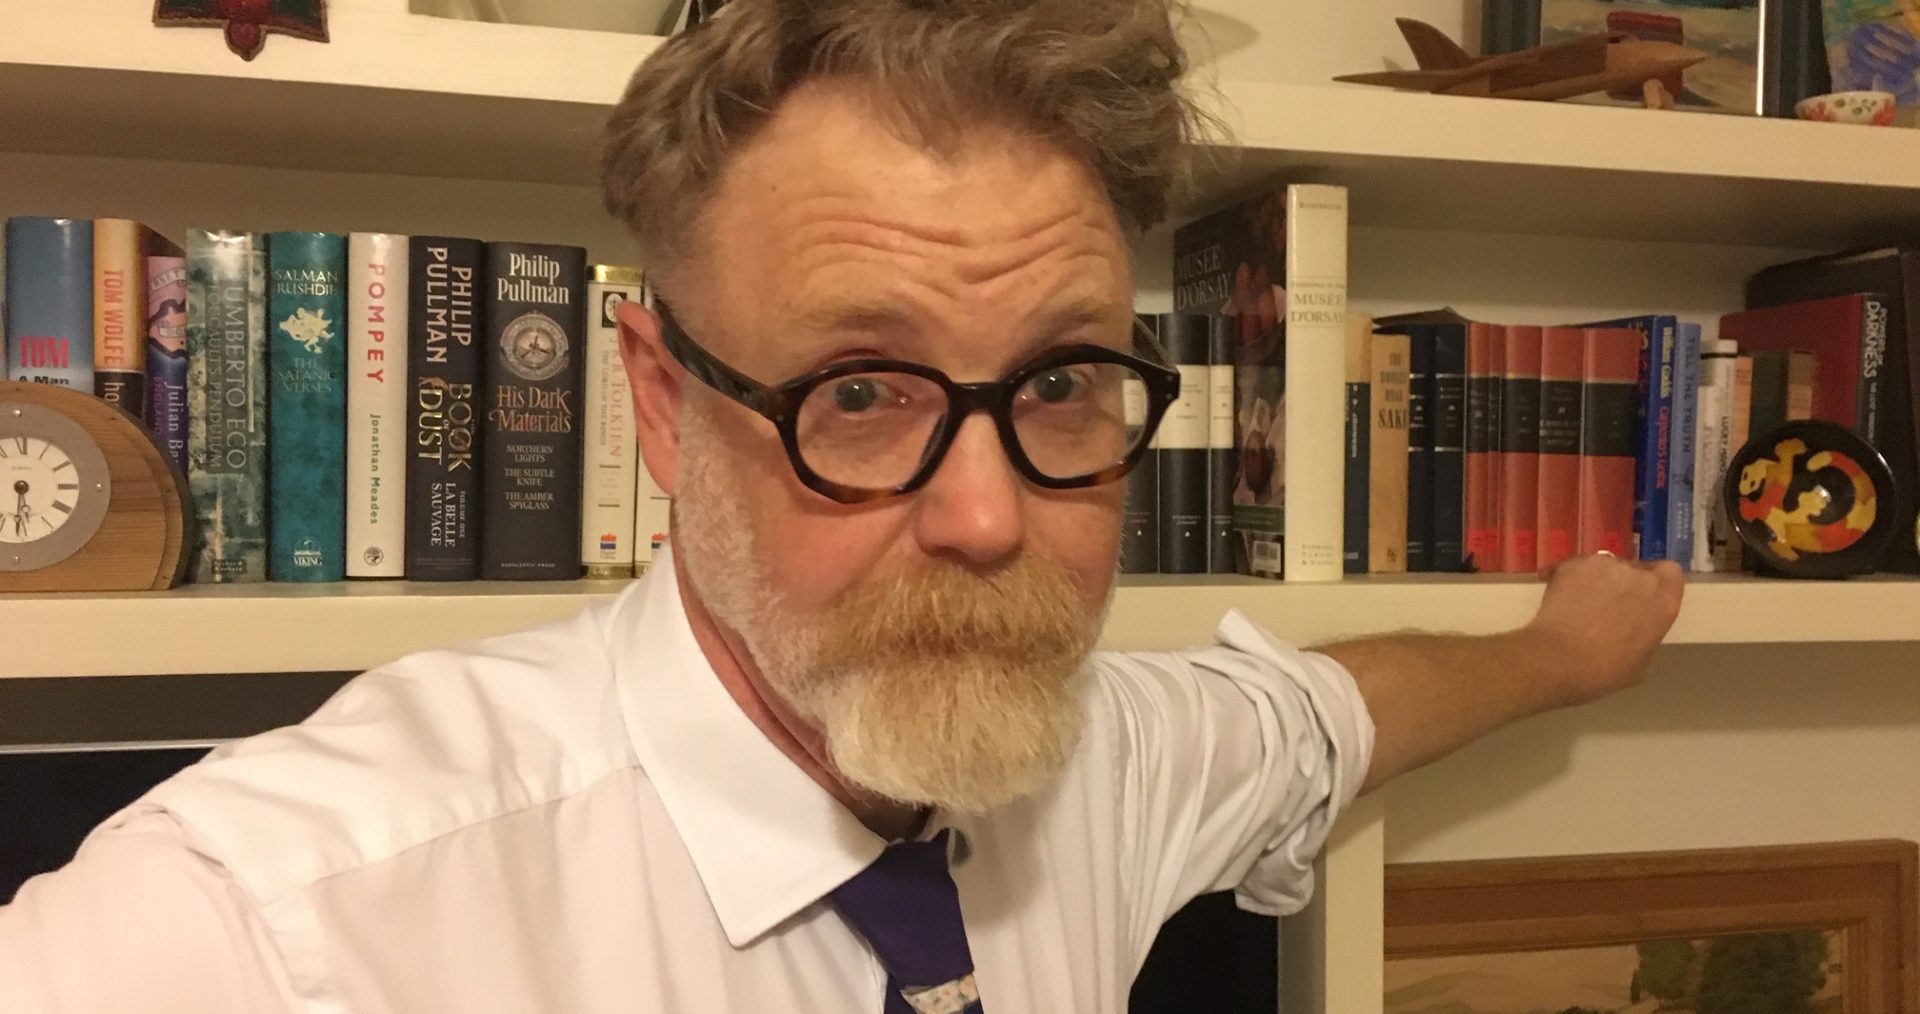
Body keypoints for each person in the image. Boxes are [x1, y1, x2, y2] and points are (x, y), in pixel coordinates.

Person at [0, 0, 1684, 1010]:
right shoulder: (269, 921)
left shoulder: (1101, 754)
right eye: (859, 394)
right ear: (664, 405)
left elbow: (1326, 715)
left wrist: (1567, 647)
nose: (985, 519)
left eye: (1056, 384)